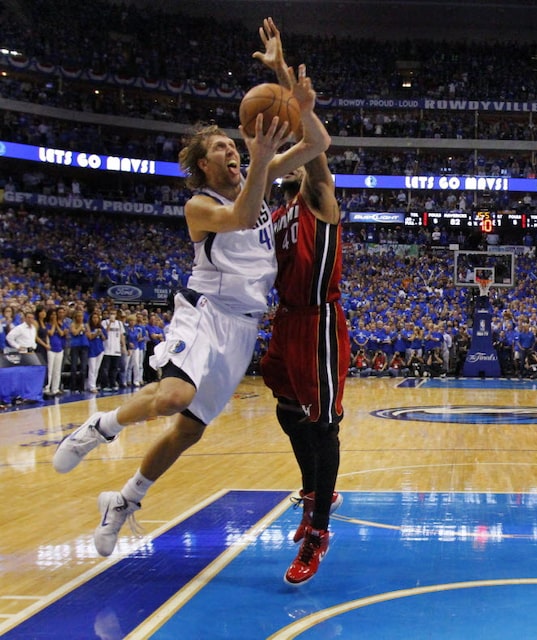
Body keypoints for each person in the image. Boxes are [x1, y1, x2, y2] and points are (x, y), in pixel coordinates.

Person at [52, 25, 331, 561]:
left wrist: (284, 82)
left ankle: (125, 499)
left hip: (244, 326)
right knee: (175, 396)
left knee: (188, 430)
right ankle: (101, 426)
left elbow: (317, 143)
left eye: (234, 142)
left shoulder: (261, 173)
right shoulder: (199, 205)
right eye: (222, 147)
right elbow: (243, 215)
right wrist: (262, 158)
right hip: (204, 313)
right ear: (204, 165)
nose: (233, 149)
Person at [257, 17, 349, 586]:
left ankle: (318, 529)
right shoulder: (276, 203)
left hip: (318, 324)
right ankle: (316, 489)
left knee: (323, 429)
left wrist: (289, 84)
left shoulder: (317, 196)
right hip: (286, 323)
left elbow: (318, 148)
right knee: (287, 411)